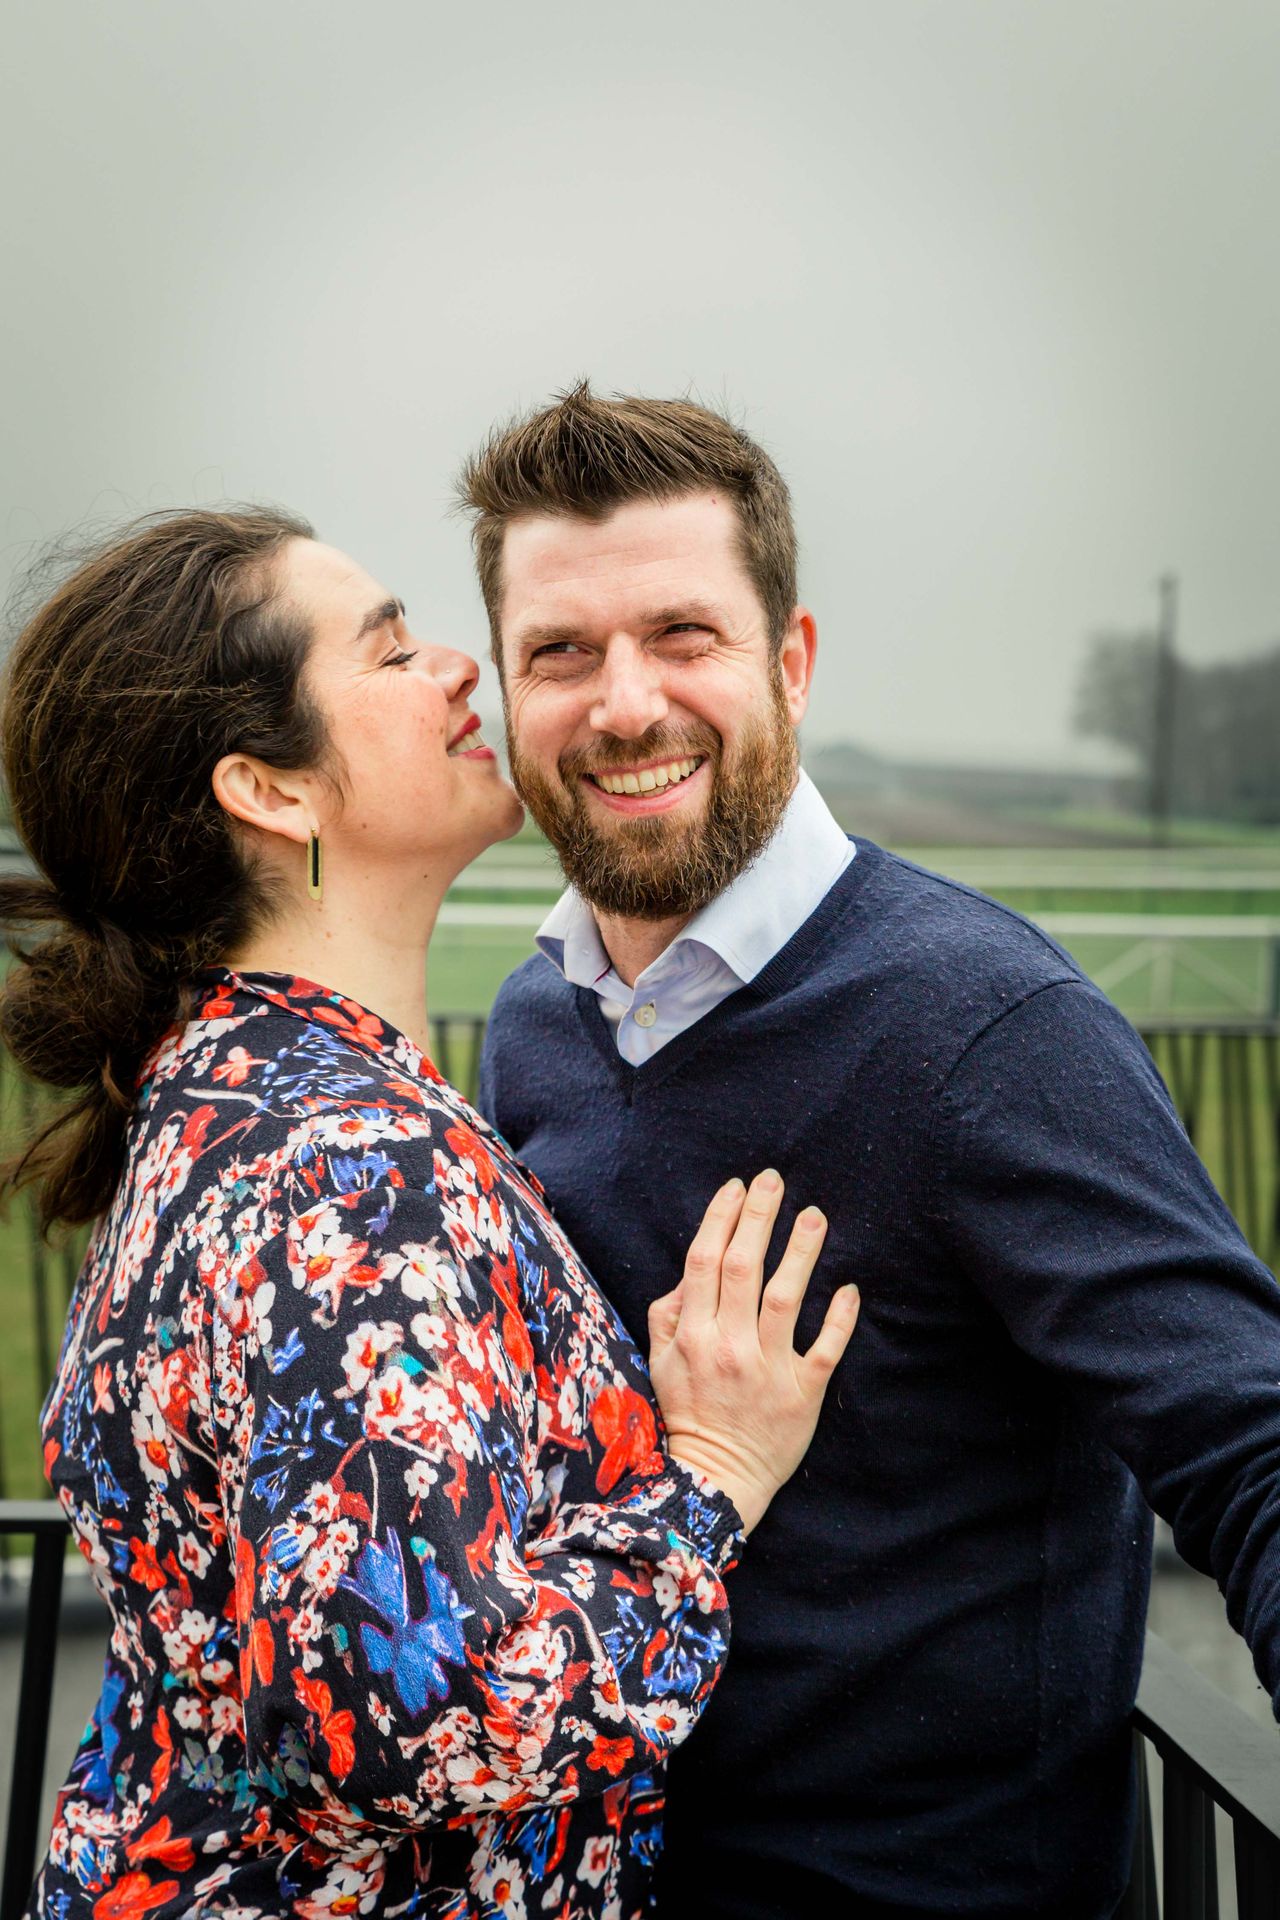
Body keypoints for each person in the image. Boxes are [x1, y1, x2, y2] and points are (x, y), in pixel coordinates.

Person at [460, 385, 1280, 1920]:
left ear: (792, 661)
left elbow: (1252, 1448)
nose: (623, 702)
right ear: (509, 693)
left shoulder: (986, 1025)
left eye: (683, 636)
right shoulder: (532, 1023)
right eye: (559, 652)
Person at [0, 508, 860, 1920]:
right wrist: (709, 1481)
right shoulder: (350, 1172)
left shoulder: (230, 1097)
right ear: (270, 792)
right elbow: (409, 1719)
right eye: (391, 651)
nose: (460, 668)